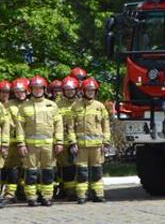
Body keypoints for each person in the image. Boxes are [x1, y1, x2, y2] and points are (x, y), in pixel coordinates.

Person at [17, 76, 66, 207]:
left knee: (48, 172)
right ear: (30, 89)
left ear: (44, 89)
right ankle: (31, 197)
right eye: (35, 88)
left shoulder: (52, 105)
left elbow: (59, 125)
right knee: (31, 172)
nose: (37, 90)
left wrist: (59, 142)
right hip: (30, 147)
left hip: (48, 146)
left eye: (40, 88)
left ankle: (47, 197)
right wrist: (21, 144)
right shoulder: (24, 106)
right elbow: (20, 127)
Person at [67, 79, 110, 204]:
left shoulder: (100, 107)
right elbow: (70, 127)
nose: (90, 92)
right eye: (88, 90)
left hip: (97, 147)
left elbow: (105, 126)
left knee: (97, 171)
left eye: (92, 90)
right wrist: (73, 143)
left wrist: (106, 143)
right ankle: (82, 195)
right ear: (83, 91)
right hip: (81, 147)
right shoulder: (75, 106)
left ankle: (98, 194)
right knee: (82, 172)